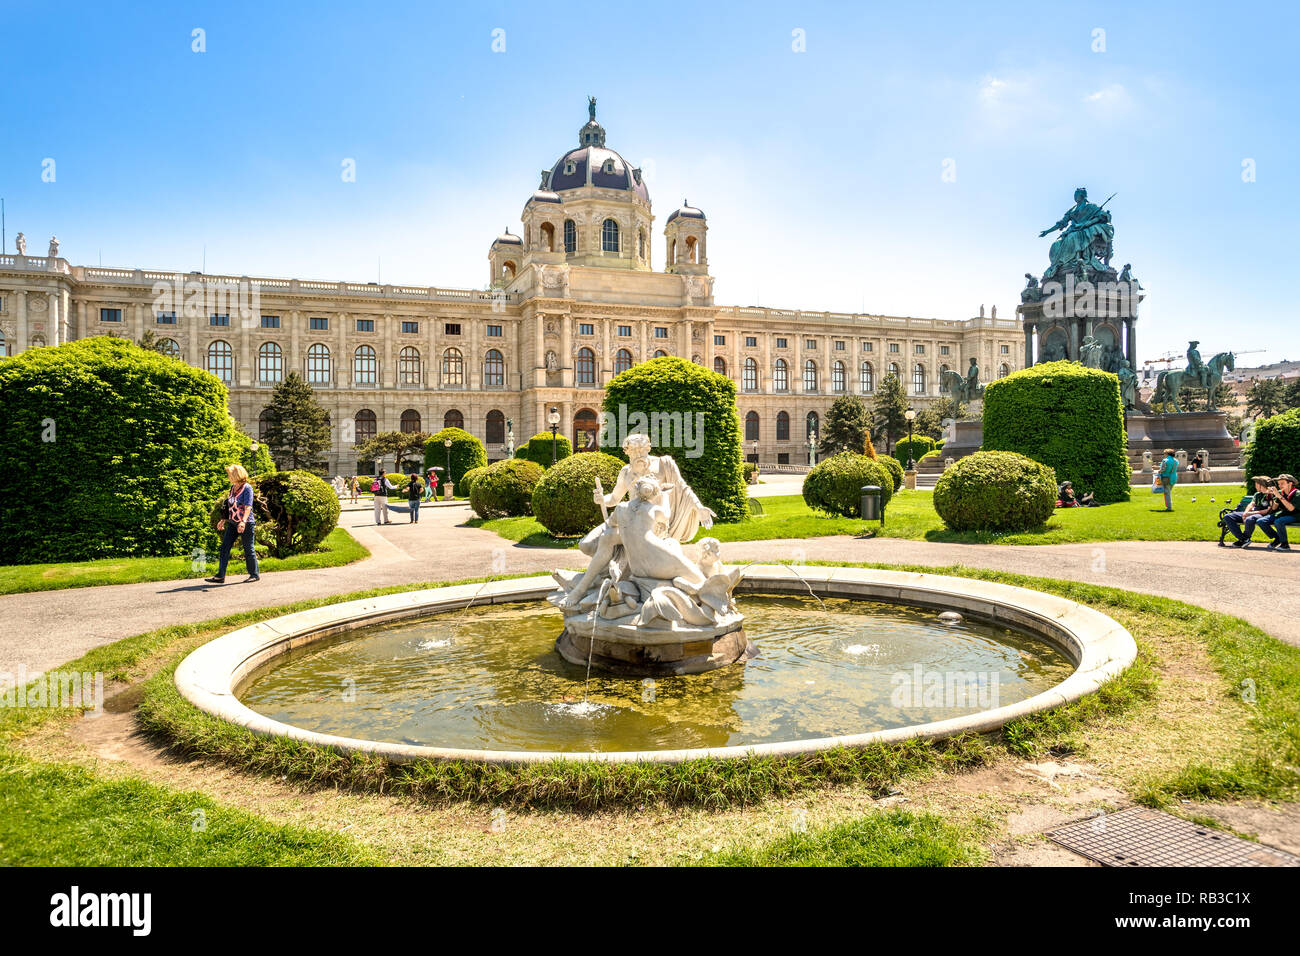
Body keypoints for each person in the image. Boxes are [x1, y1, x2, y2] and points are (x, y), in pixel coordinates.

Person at [206, 464, 259, 584]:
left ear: (236, 475)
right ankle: (220, 576)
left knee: (248, 549)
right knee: (225, 547)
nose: (228, 477)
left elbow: (248, 506)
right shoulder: (232, 487)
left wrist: (243, 521)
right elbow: (229, 505)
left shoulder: (247, 488)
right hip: (232, 523)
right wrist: (223, 519)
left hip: (245, 523)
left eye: (230, 474)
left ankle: (254, 574)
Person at [1224, 476, 1275, 548]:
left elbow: (1267, 511)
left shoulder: (1270, 495)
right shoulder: (1257, 494)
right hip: (1253, 513)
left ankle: (1244, 539)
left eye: (1257, 483)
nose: (1255, 485)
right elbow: (1251, 504)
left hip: (1263, 515)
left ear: (1262, 485)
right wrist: (1245, 513)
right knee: (1228, 517)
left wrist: (1249, 514)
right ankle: (1243, 539)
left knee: (1250, 519)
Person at [1258, 473, 1298, 552]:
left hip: (1295, 515)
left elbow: (1291, 509)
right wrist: (1270, 496)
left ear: (1290, 483)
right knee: (1261, 521)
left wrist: (1279, 496)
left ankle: (1285, 544)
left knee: (1279, 521)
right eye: (1279, 484)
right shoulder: (1280, 492)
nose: (1280, 486)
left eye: (1282, 483)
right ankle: (1278, 539)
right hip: (1283, 514)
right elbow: (1274, 507)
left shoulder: (1297, 494)